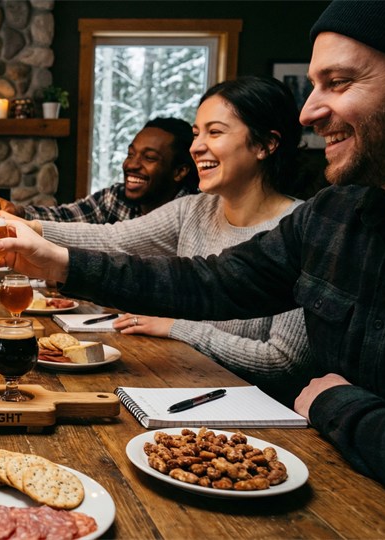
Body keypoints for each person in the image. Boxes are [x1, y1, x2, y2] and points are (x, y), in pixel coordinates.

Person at [0, 0, 385, 491]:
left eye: (339, 83)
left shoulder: (304, 212)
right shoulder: (336, 214)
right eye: (314, 85)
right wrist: (51, 253)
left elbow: (285, 363)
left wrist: (340, 406)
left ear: (265, 145)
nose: (309, 111)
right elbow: (210, 280)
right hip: (330, 471)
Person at [33, 77, 313, 404]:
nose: (196, 146)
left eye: (215, 132)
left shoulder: (304, 229)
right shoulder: (192, 210)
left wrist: (175, 326)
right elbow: (112, 239)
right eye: (196, 133)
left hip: (259, 417)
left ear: (266, 144)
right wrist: (26, 228)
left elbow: (283, 361)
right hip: (183, 385)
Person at [0, 117, 199, 223]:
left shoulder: (194, 215)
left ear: (180, 171)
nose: (132, 165)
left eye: (149, 157)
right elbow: (65, 218)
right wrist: (19, 212)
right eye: (131, 154)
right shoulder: (115, 199)